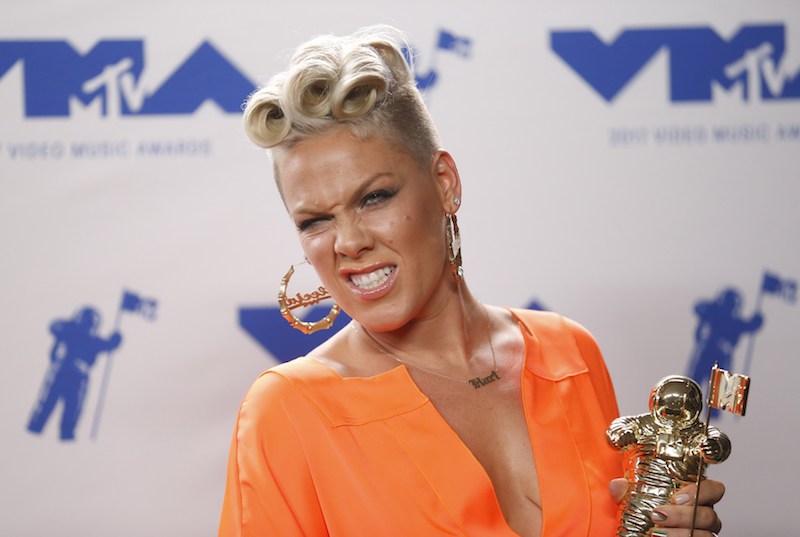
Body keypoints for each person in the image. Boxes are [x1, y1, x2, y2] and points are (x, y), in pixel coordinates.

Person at [220, 25, 725, 537]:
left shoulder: (569, 354)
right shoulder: (289, 409)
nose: (348, 242)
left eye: (373, 198)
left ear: (444, 184)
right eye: (315, 221)